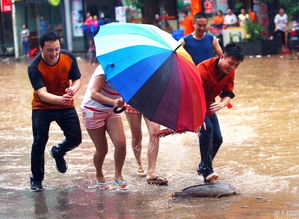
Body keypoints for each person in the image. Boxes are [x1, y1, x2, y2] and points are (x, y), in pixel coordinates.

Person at [28, 31, 82, 191]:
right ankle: (37, 179)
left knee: (76, 139)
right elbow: (42, 94)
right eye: (50, 50)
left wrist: (73, 88)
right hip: (42, 107)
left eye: (57, 49)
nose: (54, 54)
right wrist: (60, 99)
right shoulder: (34, 67)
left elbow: (77, 78)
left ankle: (58, 151)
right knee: (39, 142)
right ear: (41, 49)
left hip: (65, 105)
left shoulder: (69, 57)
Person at [196, 42, 244, 182]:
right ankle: (207, 170)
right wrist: (196, 121)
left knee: (218, 139)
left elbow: (228, 93)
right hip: (195, 105)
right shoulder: (203, 70)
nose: (233, 68)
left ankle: (202, 165)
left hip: (209, 106)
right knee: (207, 129)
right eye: (230, 63)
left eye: (236, 65)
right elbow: (190, 95)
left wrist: (222, 103)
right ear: (222, 56)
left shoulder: (230, 71)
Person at [81, 65, 127, 190]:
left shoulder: (129, 69)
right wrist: (114, 102)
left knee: (121, 144)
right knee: (102, 149)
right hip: (92, 110)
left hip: (111, 110)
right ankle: (99, 174)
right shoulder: (104, 69)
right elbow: (94, 94)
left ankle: (118, 174)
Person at [125, 105, 168, 185]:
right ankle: (139, 164)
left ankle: (151, 172)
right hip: (133, 99)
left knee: (155, 134)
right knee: (136, 137)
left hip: (152, 99)